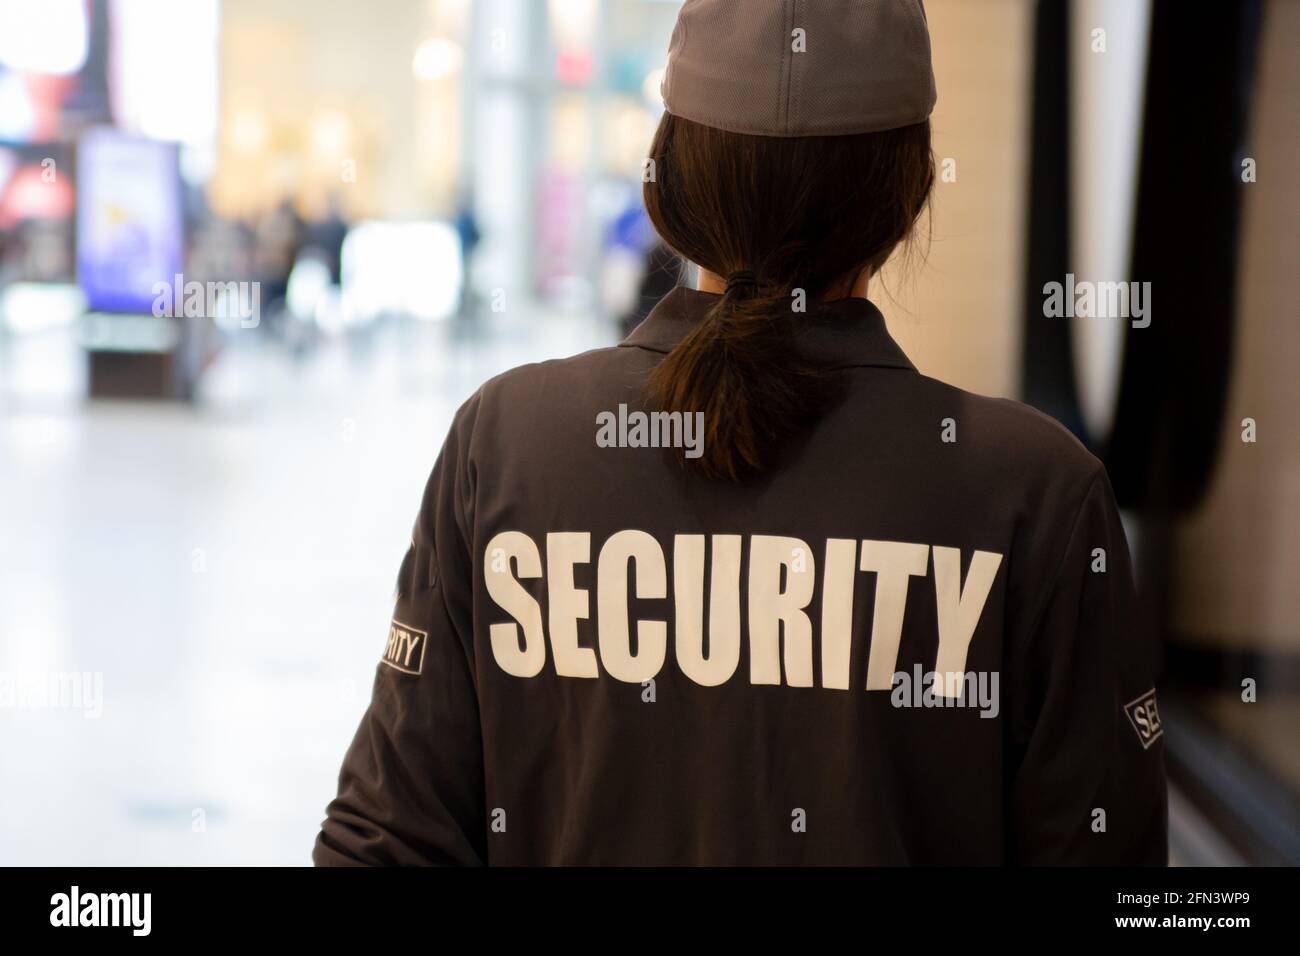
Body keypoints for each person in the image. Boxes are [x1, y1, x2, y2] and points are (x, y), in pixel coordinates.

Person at [313, 0, 1167, 865]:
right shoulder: (1035, 497)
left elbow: (387, 841)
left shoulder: (506, 447)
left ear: (666, 182)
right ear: (908, 196)